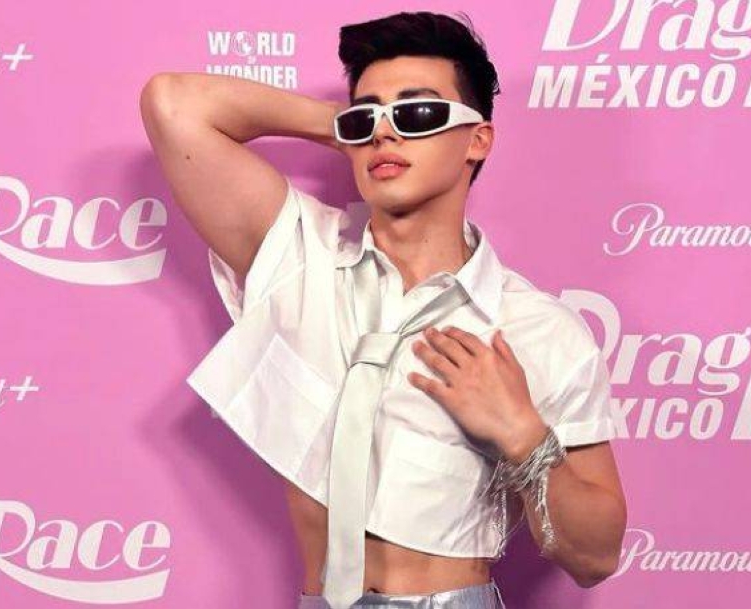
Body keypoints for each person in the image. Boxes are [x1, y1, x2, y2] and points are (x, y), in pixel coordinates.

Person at [140, 10, 627, 609]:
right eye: (365, 116)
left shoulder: (538, 328)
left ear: (478, 139)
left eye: (418, 113)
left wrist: (523, 434)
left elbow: (595, 557)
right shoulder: (300, 257)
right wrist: (349, 125)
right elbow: (174, 105)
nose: (385, 135)